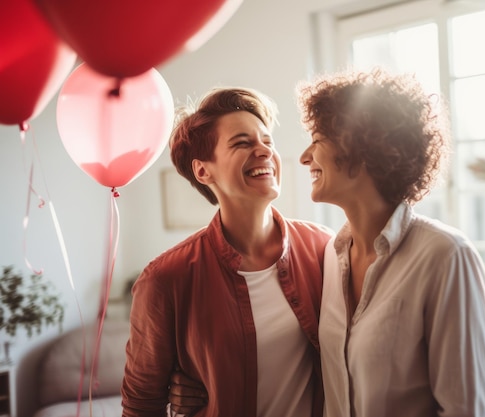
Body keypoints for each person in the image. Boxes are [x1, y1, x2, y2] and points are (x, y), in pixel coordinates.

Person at [121, 87, 333, 417]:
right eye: (242, 143)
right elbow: (141, 404)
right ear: (203, 171)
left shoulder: (323, 248)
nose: (264, 151)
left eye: (267, 141)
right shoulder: (166, 279)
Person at [297, 68, 485, 417]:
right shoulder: (332, 254)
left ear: (356, 145)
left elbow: (463, 409)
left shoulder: (446, 257)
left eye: (316, 139)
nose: (304, 157)